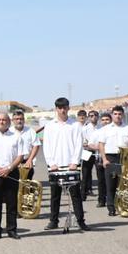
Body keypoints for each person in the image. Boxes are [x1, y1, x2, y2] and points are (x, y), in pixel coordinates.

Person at [42, 97, 89, 231]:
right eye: (60, 108)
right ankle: (53, 221)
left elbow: (78, 145)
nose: (62, 110)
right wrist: (51, 163)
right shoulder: (50, 126)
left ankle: (80, 221)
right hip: (55, 166)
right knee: (55, 195)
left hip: (71, 165)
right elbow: (47, 146)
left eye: (65, 107)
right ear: (56, 109)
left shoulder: (75, 125)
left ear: (68, 108)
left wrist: (74, 162)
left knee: (75, 195)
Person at [97, 106, 128, 216]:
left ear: (123, 115)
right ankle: (111, 207)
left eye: (119, 114)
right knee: (111, 185)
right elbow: (101, 145)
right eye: (115, 114)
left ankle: (123, 206)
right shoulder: (106, 129)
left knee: (124, 184)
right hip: (111, 158)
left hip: (124, 157)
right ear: (112, 115)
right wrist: (104, 159)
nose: (117, 116)